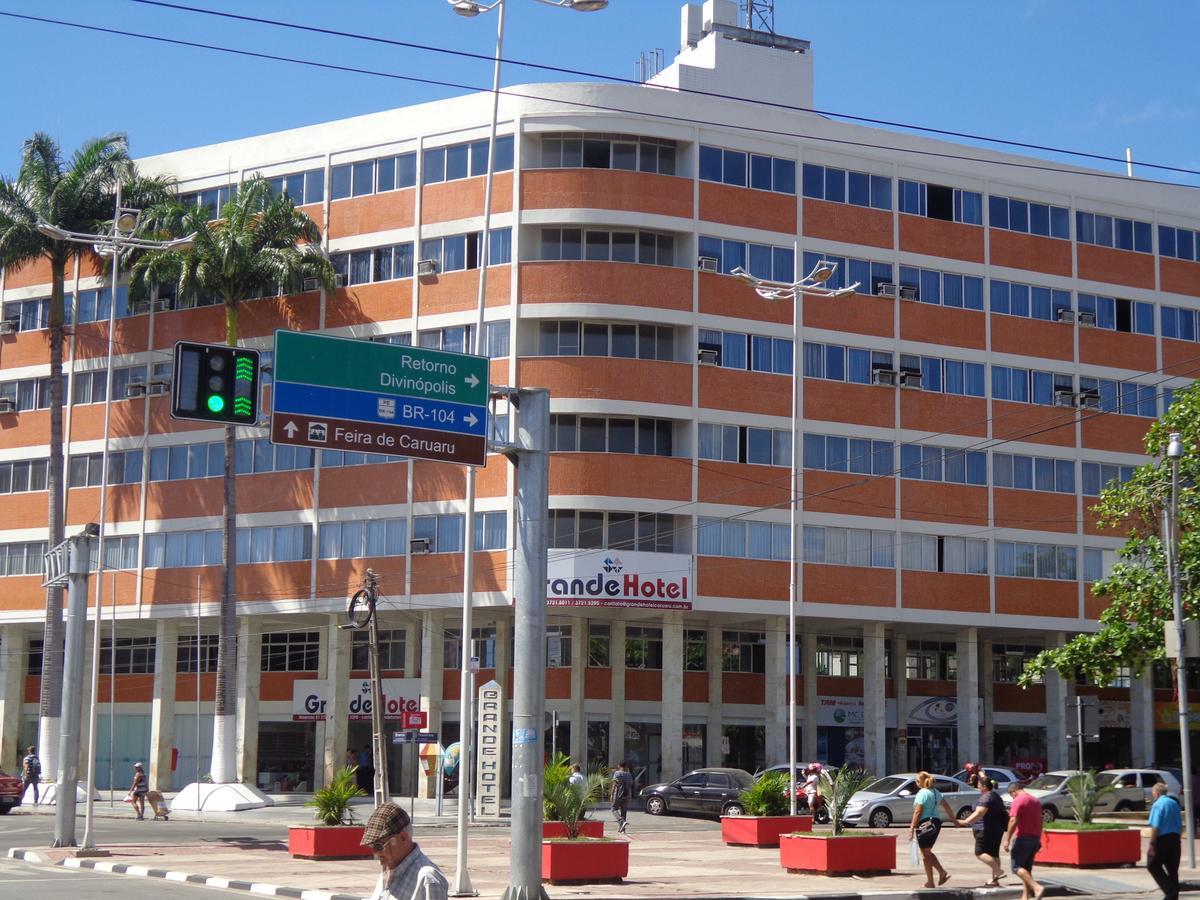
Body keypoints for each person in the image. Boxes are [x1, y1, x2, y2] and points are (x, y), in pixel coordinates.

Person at [361, 802, 448, 900]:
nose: (375, 852)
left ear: (403, 837)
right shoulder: (389, 868)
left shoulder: (428, 879)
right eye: (371, 845)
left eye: (379, 846)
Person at [907, 771, 957, 889]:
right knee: (927, 852)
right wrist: (954, 820)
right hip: (936, 823)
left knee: (925, 853)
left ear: (920, 782)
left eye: (917, 781)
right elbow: (946, 805)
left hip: (925, 824)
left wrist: (911, 828)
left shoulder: (922, 793)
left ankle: (931, 881)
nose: (916, 782)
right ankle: (940, 873)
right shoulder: (935, 792)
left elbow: (918, 811)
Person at [959, 777, 1008, 886]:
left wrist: (966, 822)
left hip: (985, 829)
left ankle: (998, 871)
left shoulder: (986, 797)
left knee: (980, 852)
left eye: (979, 784)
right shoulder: (996, 796)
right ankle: (995, 880)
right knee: (994, 854)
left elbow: (980, 812)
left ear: (985, 787)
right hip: (997, 829)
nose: (978, 786)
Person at [1003, 781, 1045, 900]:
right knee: (1026, 869)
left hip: (1022, 838)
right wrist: (1039, 838)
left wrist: (1007, 839)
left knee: (1016, 867)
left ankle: (1036, 887)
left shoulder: (1018, 800)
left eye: (1011, 795)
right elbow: (1040, 821)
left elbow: (1013, 820)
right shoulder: (1035, 801)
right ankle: (1025, 896)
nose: (1012, 797)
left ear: (1013, 791)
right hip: (1034, 838)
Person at [1147, 781, 1182, 900]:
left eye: (1153, 793)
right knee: (1173, 871)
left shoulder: (1158, 805)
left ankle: (1170, 891)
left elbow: (1156, 826)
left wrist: (1152, 844)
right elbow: (1180, 824)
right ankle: (1173, 896)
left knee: (1152, 865)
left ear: (1156, 793)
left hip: (1162, 840)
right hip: (1175, 839)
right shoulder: (1175, 803)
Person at [610, 760, 634, 834]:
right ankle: (622, 829)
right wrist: (630, 795)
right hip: (626, 795)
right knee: (624, 812)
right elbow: (630, 786)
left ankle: (621, 821)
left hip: (618, 795)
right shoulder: (629, 774)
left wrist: (611, 793)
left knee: (613, 809)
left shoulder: (617, 773)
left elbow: (614, 784)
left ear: (619, 766)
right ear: (625, 767)